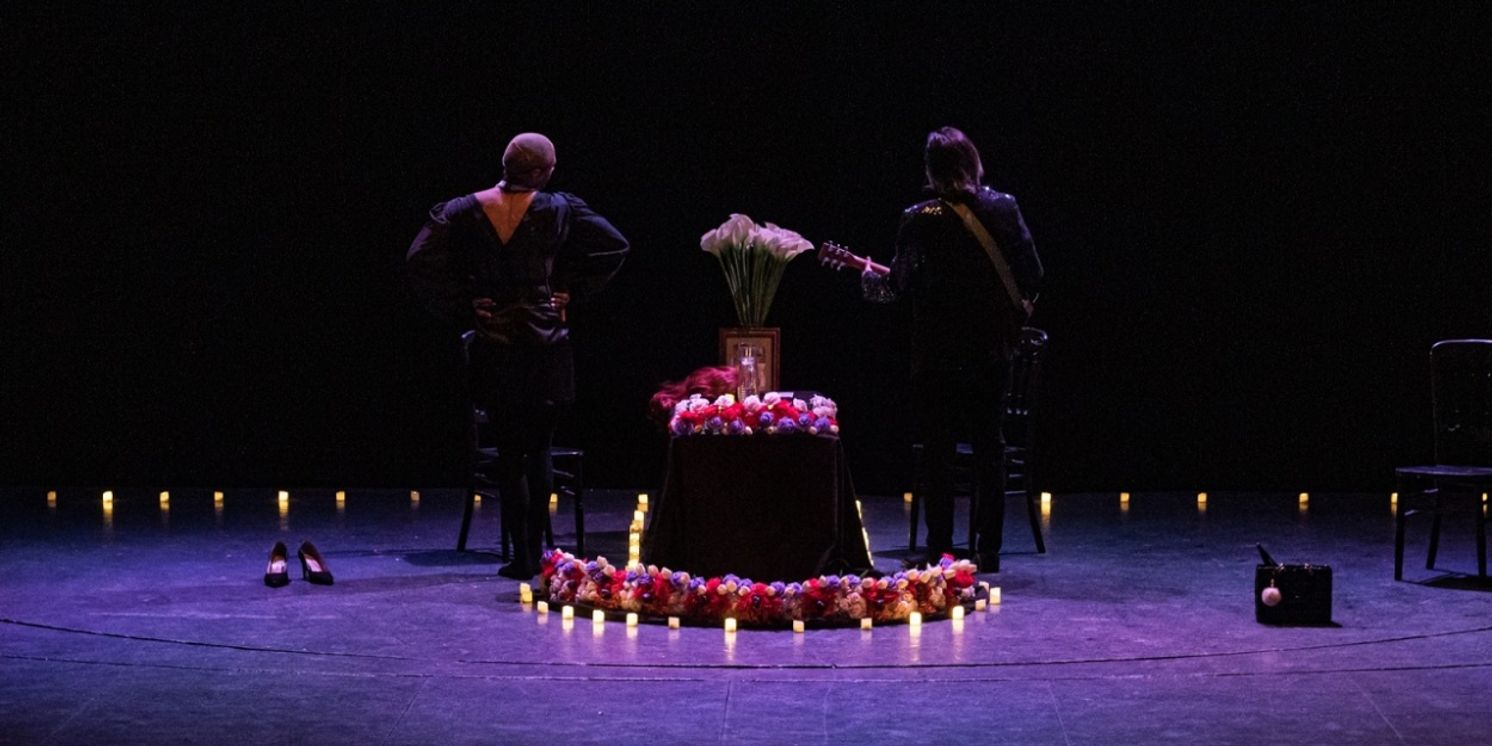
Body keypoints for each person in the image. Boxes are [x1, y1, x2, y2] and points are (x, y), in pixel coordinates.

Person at [406, 132, 629, 579]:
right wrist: (570, 291)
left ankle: (522, 558)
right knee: (539, 449)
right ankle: (536, 553)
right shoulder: (559, 207)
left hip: (496, 345)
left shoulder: (465, 208)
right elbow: (615, 245)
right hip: (546, 344)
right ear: (539, 173)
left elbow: (418, 258)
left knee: (510, 453)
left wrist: (467, 298)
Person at [860, 126, 1043, 572]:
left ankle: (940, 548)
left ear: (931, 171)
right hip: (992, 352)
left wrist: (867, 279)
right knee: (989, 448)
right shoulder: (1005, 207)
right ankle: (988, 549)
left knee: (939, 452)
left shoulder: (918, 218)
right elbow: (1033, 274)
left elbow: (895, 287)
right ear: (973, 161)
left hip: (937, 355)